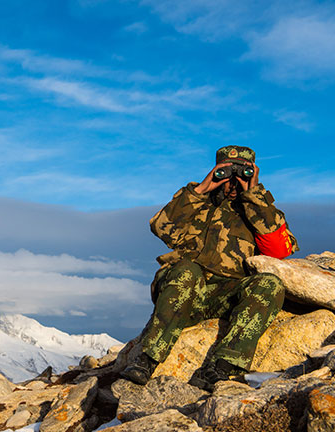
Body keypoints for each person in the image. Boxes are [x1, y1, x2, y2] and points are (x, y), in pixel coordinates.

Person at [121, 145, 298, 390]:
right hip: (183, 290)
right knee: (187, 271)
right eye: (227, 172)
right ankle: (147, 359)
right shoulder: (196, 203)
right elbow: (161, 225)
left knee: (270, 284)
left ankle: (222, 368)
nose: (233, 181)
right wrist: (203, 187)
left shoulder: (258, 211)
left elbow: (279, 250)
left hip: (225, 295)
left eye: (242, 173)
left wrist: (254, 195)